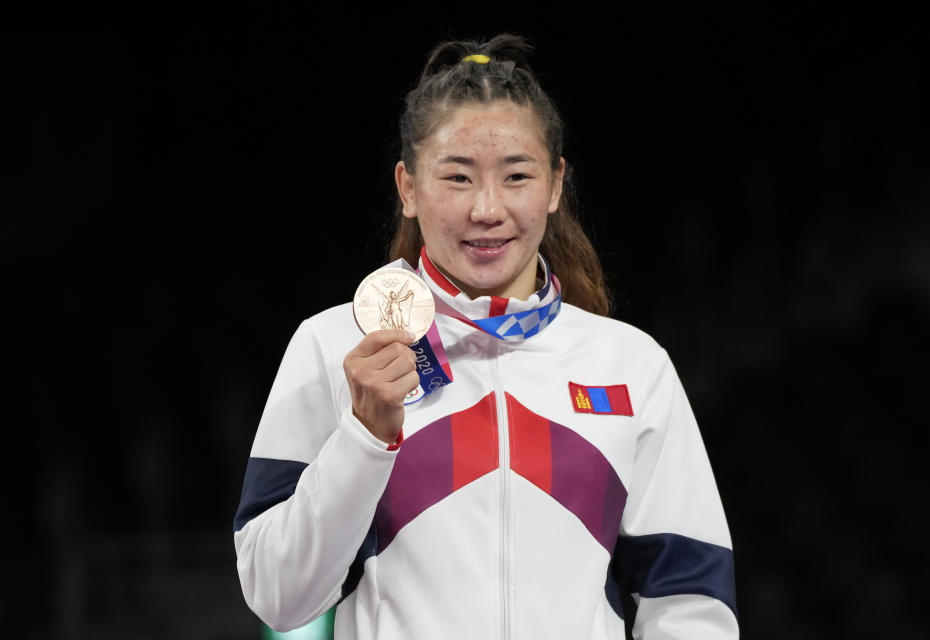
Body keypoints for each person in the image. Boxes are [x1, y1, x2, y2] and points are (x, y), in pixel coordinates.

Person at [234, 34, 738, 639]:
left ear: (554, 186)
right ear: (408, 188)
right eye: (458, 178)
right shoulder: (333, 346)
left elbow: (689, 602)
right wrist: (364, 437)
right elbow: (276, 597)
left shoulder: (632, 365)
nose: (487, 209)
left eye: (516, 176)